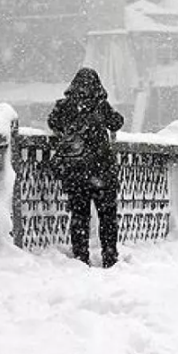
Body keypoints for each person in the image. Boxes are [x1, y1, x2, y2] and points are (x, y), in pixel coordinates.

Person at [48, 67, 124, 268]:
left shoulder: (65, 106)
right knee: (107, 217)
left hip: (76, 172)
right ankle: (110, 256)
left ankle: (81, 257)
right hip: (101, 171)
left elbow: (53, 122)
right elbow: (117, 123)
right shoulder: (100, 106)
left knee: (79, 217)